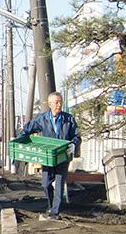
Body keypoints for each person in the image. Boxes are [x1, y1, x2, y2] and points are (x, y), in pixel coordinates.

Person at [18, 91, 81, 220]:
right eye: (56, 102)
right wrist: (20, 140)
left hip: (63, 156)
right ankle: (51, 205)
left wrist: (74, 144)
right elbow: (27, 129)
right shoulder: (42, 118)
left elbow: (77, 135)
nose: (59, 105)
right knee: (45, 184)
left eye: (60, 102)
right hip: (47, 157)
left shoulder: (68, 119)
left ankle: (55, 212)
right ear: (50, 104)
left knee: (59, 184)